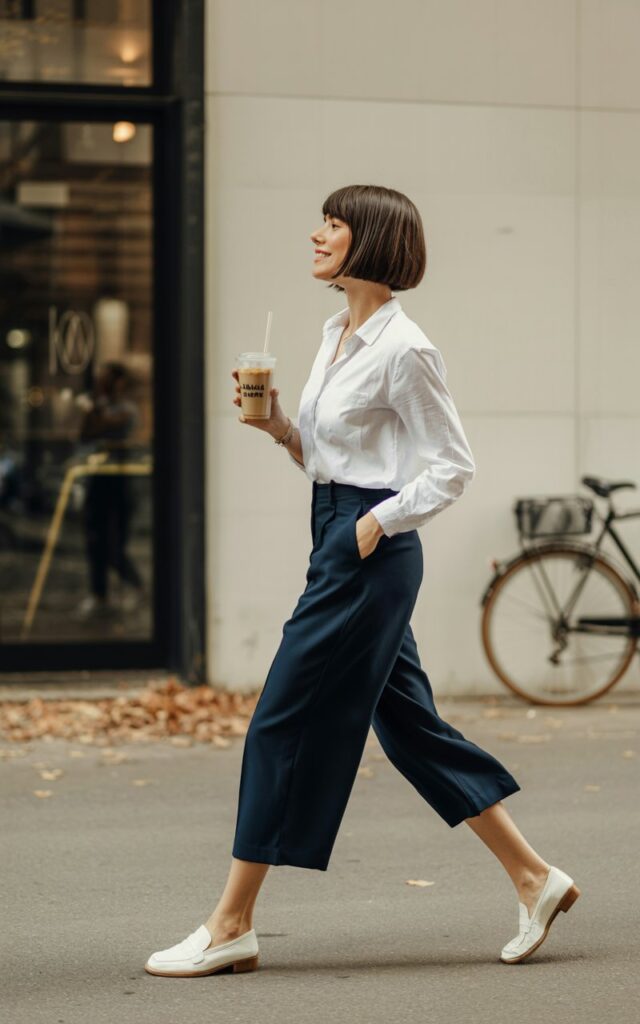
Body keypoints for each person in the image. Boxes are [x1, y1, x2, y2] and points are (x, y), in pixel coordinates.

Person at [145, 184, 580, 978]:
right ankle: (534, 877)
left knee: (282, 717)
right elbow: (326, 456)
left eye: (334, 225)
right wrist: (279, 424)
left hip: (368, 548)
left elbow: (452, 467)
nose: (317, 235)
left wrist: (377, 523)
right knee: (409, 724)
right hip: (337, 530)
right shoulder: (334, 332)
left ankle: (231, 922)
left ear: (370, 241)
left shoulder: (405, 348)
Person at [76, 361, 144, 617]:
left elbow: (109, 425)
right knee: (94, 540)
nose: (100, 384)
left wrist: (94, 406)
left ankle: (136, 586)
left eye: (105, 379)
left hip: (120, 480)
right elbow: (85, 434)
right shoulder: (96, 406)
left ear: (119, 382)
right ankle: (98, 594)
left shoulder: (126, 408)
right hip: (97, 478)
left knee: (115, 544)